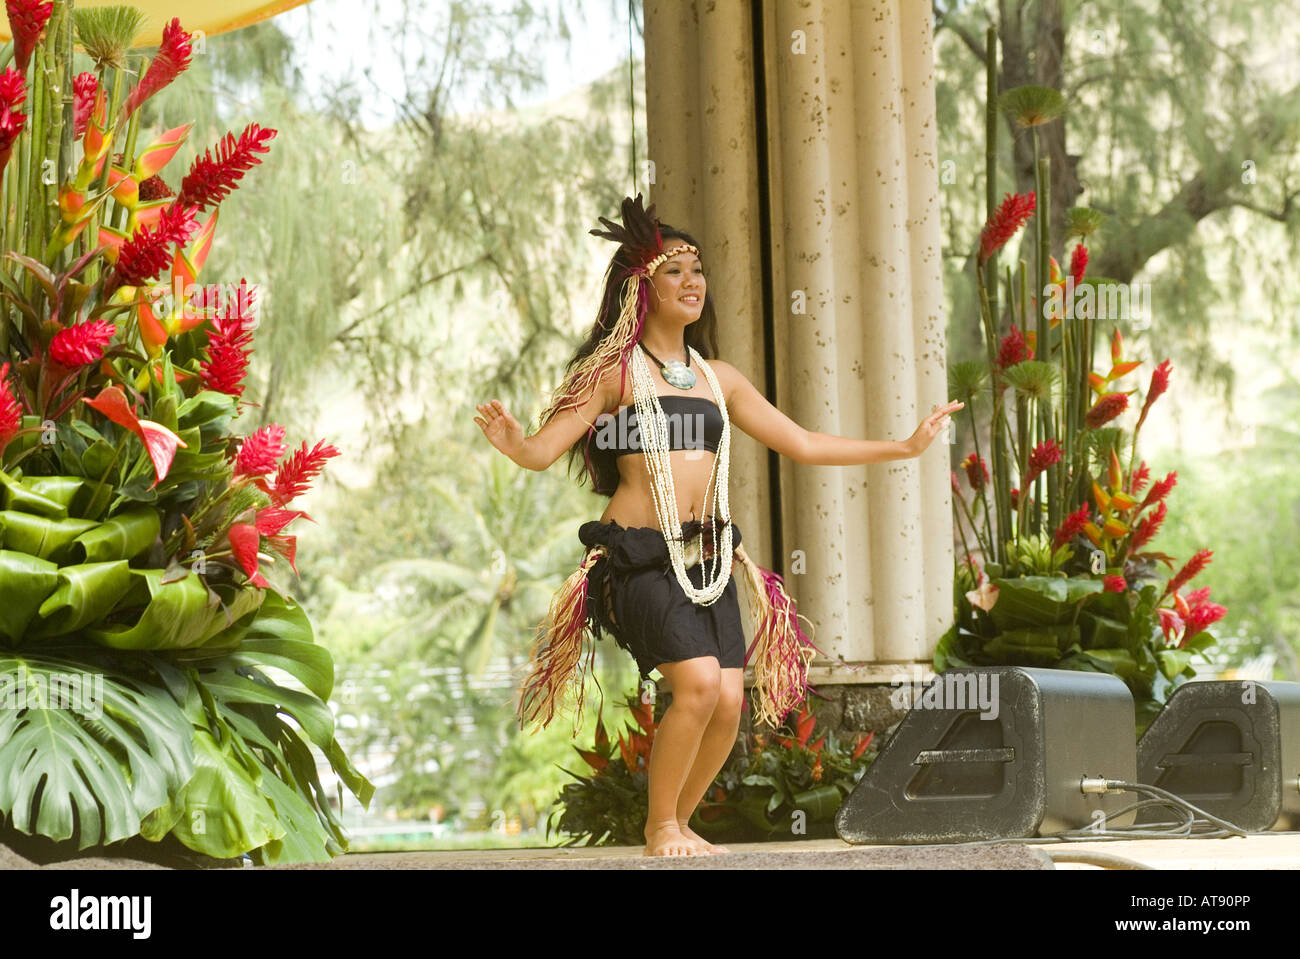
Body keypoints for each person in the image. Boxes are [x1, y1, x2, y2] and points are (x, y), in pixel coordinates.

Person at [474, 194, 961, 857]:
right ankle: (658, 827)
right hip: (639, 559)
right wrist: (514, 442)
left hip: (706, 559)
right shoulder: (615, 375)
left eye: (698, 269)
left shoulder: (716, 378)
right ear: (640, 287)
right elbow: (541, 450)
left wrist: (901, 447)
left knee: (729, 698)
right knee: (699, 682)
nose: (693, 280)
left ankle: (679, 818)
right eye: (676, 270)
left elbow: (804, 441)